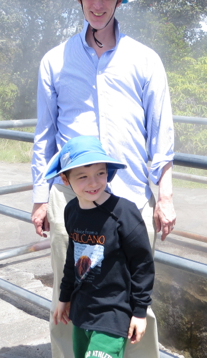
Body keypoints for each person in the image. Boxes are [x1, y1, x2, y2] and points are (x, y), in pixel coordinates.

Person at [31, 0, 175, 358]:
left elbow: (160, 135)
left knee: (134, 302)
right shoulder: (54, 61)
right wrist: (41, 197)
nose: (98, 3)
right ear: (79, 0)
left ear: (119, 0)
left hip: (129, 200)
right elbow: (44, 136)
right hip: (71, 200)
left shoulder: (145, 60)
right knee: (70, 298)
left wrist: (164, 197)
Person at [46, 136, 155, 358]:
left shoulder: (124, 212)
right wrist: (64, 297)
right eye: (83, 177)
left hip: (113, 313)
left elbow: (142, 264)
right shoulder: (71, 211)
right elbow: (72, 259)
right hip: (82, 311)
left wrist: (140, 312)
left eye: (100, 173)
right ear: (65, 180)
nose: (93, 183)